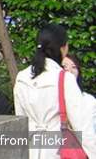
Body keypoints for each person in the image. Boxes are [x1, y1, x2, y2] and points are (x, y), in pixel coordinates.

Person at [14, 24, 96, 158]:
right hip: (58, 150)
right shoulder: (64, 78)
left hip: (31, 149)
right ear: (63, 48)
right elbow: (82, 125)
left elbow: (20, 120)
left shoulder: (22, 77)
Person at [62, 53, 96, 133]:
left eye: (74, 67)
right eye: (64, 66)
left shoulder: (89, 101)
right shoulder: (49, 97)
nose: (69, 71)